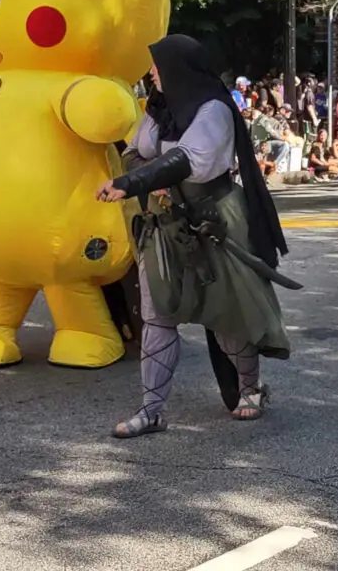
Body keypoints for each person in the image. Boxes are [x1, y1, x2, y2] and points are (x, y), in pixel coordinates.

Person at [96, 34, 296, 439]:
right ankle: (152, 410)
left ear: (178, 69)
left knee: (224, 313)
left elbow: (191, 160)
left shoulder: (214, 111)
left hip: (214, 219)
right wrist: (144, 179)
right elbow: (136, 151)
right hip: (166, 223)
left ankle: (250, 388)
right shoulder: (159, 109)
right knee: (158, 316)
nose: (152, 73)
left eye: (157, 66)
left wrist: (135, 181)